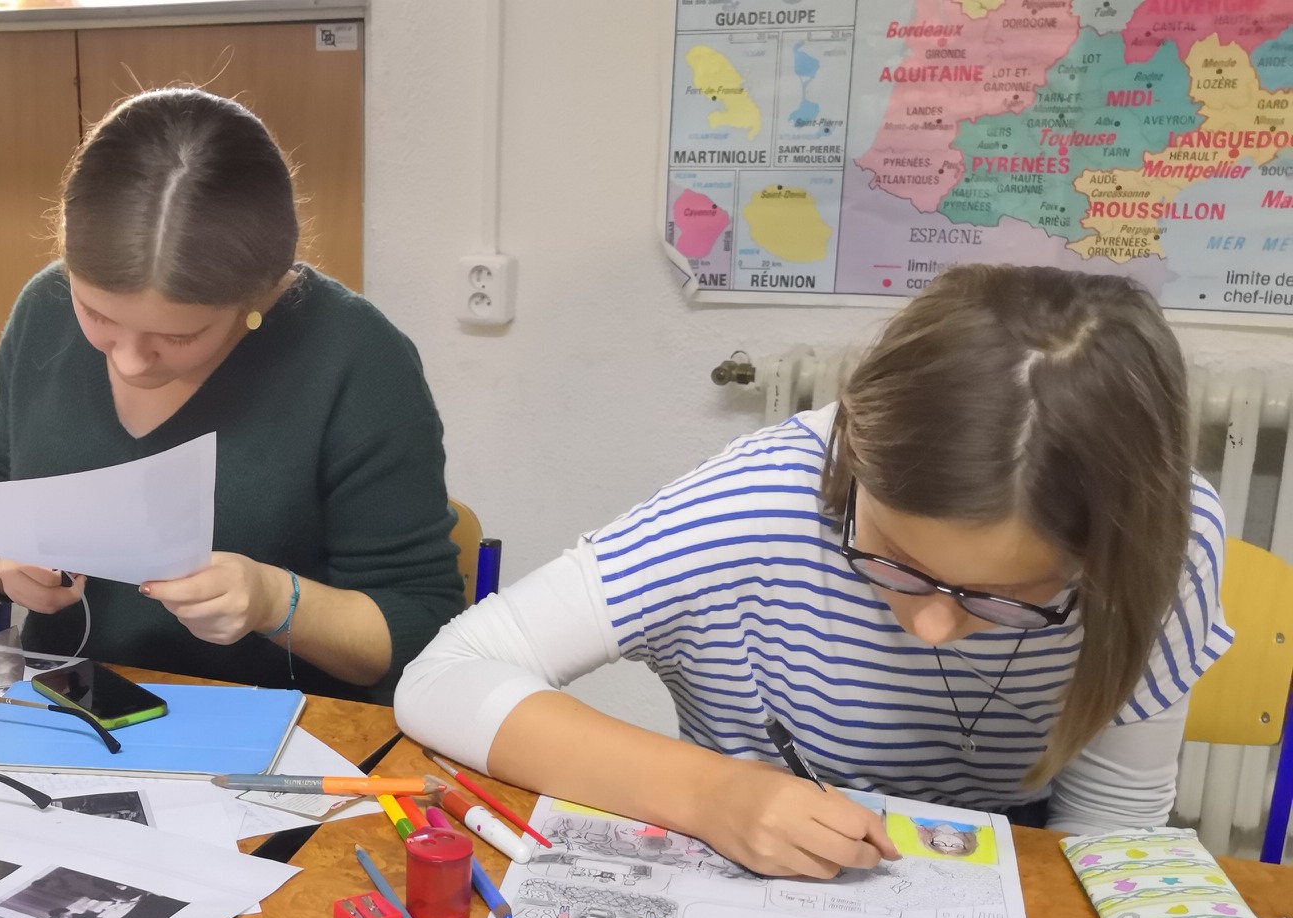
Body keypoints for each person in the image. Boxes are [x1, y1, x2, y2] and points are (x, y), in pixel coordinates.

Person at [398, 264, 1229, 879]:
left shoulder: (1166, 538)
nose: (932, 625)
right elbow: (444, 676)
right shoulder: (758, 503)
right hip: (751, 862)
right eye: (897, 562)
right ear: (853, 464)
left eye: (1008, 597)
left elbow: (1111, 825)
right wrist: (709, 794)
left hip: (1002, 871)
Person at [0, 87, 464, 705]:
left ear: (257, 296)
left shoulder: (357, 359)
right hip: (74, 709)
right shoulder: (44, 308)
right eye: (97, 315)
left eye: (178, 336)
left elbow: (420, 625)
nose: (129, 360)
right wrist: (7, 563)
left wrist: (274, 602)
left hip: (283, 731)